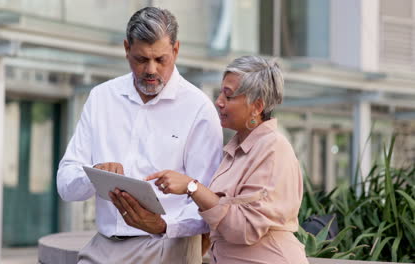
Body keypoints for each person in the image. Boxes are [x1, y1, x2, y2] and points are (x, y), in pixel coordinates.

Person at [57, 6, 223, 264]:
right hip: (103, 245)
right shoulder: (101, 98)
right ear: (126, 49)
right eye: (141, 59)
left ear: (176, 50)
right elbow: (65, 184)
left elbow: (209, 201)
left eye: (161, 59)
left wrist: (161, 224)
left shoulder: (199, 109)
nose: (151, 70)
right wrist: (94, 173)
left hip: (169, 247)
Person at [146, 56, 309, 264]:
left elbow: (244, 228)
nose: (219, 102)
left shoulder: (273, 148)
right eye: (221, 92)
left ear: (257, 106)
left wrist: (191, 186)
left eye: (229, 96)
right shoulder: (236, 150)